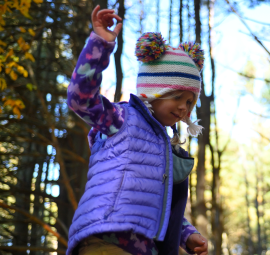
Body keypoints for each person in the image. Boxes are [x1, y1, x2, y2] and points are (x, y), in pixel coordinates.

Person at [66, 5, 208, 255]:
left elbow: (158, 203)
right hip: (106, 239)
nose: (184, 108)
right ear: (155, 91)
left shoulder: (164, 143)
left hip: (144, 247)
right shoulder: (121, 119)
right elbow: (81, 98)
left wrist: (187, 234)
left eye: (189, 102)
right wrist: (100, 43)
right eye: (177, 97)